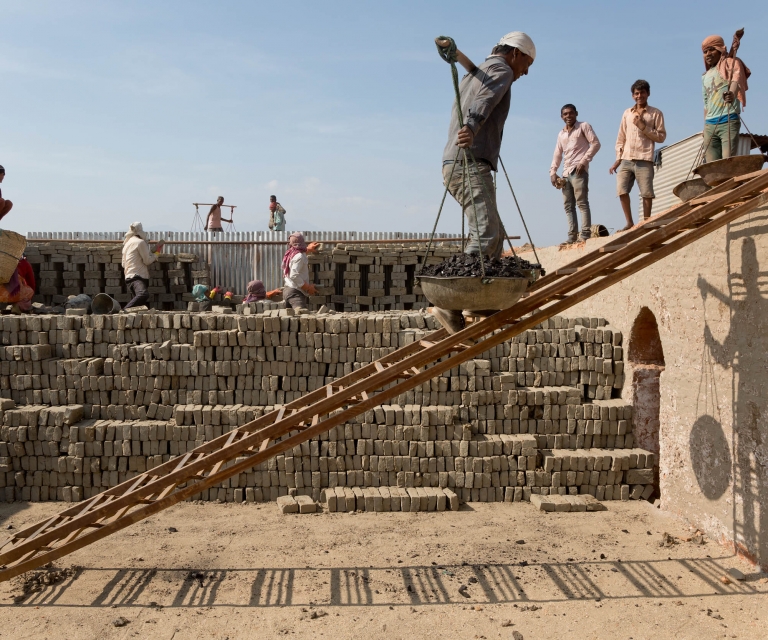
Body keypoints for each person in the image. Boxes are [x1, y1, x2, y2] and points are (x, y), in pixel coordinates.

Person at [435, 31, 536, 333]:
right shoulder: (502, 69)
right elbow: (486, 98)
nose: (525, 72)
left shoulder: (479, 71)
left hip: (459, 162)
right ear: (515, 54)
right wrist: (473, 126)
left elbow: (474, 74)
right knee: (485, 231)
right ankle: (449, 301)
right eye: (526, 64)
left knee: (495, 232)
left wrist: (457, 55)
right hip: (469, 160)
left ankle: (477, 300)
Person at [609, 80, 666, 231]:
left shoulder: (656, 113)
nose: (639, 96)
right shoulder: (627, 113)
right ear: (633, 95)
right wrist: (617, 159)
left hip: (644, 158)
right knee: (621, 189)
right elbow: (621, 137)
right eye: (636, 93)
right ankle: (629, 223)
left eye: (642, 92)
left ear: (648, 94)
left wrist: (644, 127)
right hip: (627, 158)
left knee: (646, 193)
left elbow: (661, 137)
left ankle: (646, 223)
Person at [550, 104, 601, 243]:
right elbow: (557, 154)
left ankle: (585, 234)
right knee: (568, 206)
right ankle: (572, 236)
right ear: (561, 117)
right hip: (566, 173)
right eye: (565, 114)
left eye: (570, 113)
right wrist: (553, 172)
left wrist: (584, 161)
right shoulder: (561, 134)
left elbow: (596, 143)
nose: (568, 116)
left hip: (578, 170)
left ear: (576, 113)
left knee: (582, 203)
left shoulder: (583, 126)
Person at [701, 33, 750, 162]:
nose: (708, 54)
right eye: (705, 51)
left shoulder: (731, 63)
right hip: (710, 125)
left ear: (720, 49)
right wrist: (705, 126)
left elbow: (736, 80)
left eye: (711, 49)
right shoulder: (705, 76)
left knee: (727, 163)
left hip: (728, 120)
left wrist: (732, 93)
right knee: (713, 167)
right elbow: (706, 103)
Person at [121, 222, 164, 309]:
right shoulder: (140, 242)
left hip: (129, 277)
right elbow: (147, 261)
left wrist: (150, 253)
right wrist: (156, 253)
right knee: (143, 294)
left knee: (139, 306)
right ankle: (124, 311)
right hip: (137, 276)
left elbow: (123, 264)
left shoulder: (126, 244)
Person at [281, 233, 320, 310]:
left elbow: (299, 254)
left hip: (288, 290)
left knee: (291, 320)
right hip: (295, 293)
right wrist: (308, 287)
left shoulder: (291, 253)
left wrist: (308, 249)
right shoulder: (300, 256)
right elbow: (294, 275)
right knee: (301, 317)